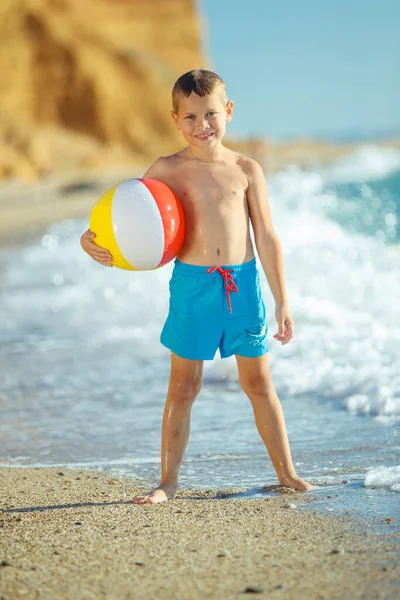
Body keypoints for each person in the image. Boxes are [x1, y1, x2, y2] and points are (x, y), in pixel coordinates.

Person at [80, 69, 315, 504]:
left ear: (228, 112)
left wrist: (283, 301)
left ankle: (287, 473)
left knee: (260, 384)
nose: (201, 126)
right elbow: (127, 219)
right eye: (190, 117)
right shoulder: (166, 169)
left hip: (244, 288)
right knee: (183, 387)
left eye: (210, 114)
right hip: (193, 289)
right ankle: (167, 481)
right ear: (175, 119)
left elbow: (266, 235)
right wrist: (90, 240)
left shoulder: (247, 169)